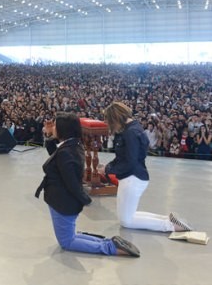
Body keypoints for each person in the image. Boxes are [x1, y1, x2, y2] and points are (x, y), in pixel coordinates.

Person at [35, 112, 140, 257]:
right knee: (71, 235)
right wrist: (48, 136)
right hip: (61, 199)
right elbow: (55, 155)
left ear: (63, 129)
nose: (52, 127)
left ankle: (111, 248)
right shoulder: (71, 145)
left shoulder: (67, 152)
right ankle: (109, 242)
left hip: (62, 201)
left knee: (67, 241)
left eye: (55, 125)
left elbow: (71, 182)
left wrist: (86, 199)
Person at [101, 102, 193, 232]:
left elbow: (129, 162)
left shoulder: (130, 133)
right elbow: (124, 157)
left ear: (116, 118)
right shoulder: (134, 128)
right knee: (128, 216)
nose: (106, 123)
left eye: (108, 120)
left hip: (132, 177)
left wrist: (108, 169)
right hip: (135, 176)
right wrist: (108, 167)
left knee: (127, 221)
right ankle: (167, 219)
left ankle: (170, 226)